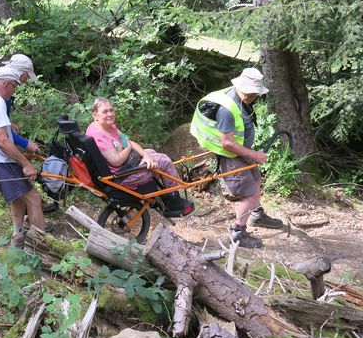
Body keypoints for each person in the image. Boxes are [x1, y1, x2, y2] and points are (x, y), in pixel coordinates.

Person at [190, 67, 283, 249]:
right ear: (243, 89)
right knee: (248, 194)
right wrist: (254, 155)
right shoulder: (227, 110)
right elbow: (228, 144)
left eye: (256, 93)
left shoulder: (239, 98)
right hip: (231, 155)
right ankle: (238, 232)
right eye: (253, 93)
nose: (255, 96)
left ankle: (256, 215)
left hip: (242, 150)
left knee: (256, 180)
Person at [0, 66, 47, 247]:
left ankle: (18, 239)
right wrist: (26, 163)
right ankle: (42, 247)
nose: (14, 91)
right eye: (14, 86)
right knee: (34, 199)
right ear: (6, 84)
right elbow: (2, 140)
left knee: (18, 198)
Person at [86, 97, 194, 217]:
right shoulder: (99, 136)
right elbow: (116, 161)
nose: (110, 114)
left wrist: (146, 155)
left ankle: (163, 194)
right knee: (164, 161)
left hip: (126, 164)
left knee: (151, 152)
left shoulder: (105, 126)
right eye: (105, 111)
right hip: (122, 177)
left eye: (111, 110)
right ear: (95, 113)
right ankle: (173, 201)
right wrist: (128, 147)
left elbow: (128, 141)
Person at [0, 53, 40, 153]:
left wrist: (8, 123)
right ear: (21, 73)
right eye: (27, 76)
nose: (27, 80)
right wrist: (27, 144)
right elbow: (0, 135)